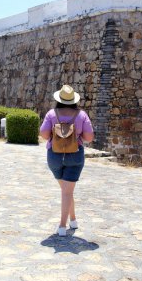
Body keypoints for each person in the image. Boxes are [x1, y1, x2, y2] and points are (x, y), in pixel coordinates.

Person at [40, 84, 94, 236]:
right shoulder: (81, 115)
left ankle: (72, 220)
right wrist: (78, 135)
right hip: (75, 156)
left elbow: (44, 134)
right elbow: (89, 137)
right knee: (67, 191)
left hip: (55, 156)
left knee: (66, 191)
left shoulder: (52, 114)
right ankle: (63, 226)